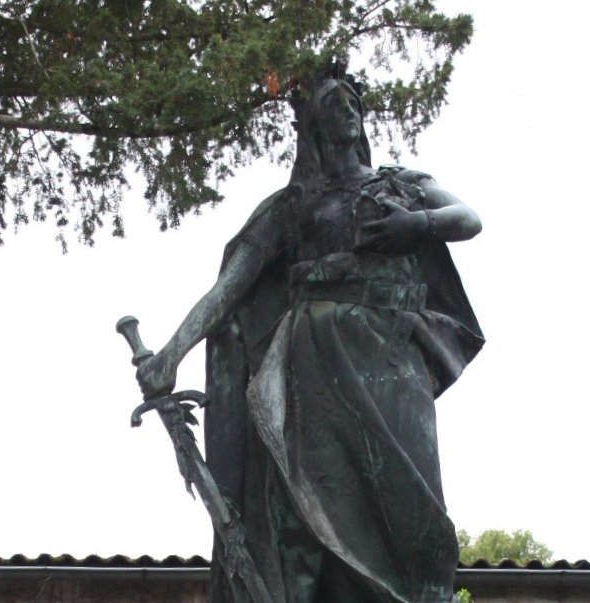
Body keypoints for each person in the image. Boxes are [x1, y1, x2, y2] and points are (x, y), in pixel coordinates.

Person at [136, 62, 484, 603]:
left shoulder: (404, 183)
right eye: (333, 102)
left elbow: (467, 219)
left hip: (394, 361)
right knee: (306, 510)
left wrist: (417, 226)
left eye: (353, 101)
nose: (347, 108)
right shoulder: (294, 207)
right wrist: (171, 354)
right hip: (313, 366)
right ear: (314, 127)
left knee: (414, 508)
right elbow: (232, 286)